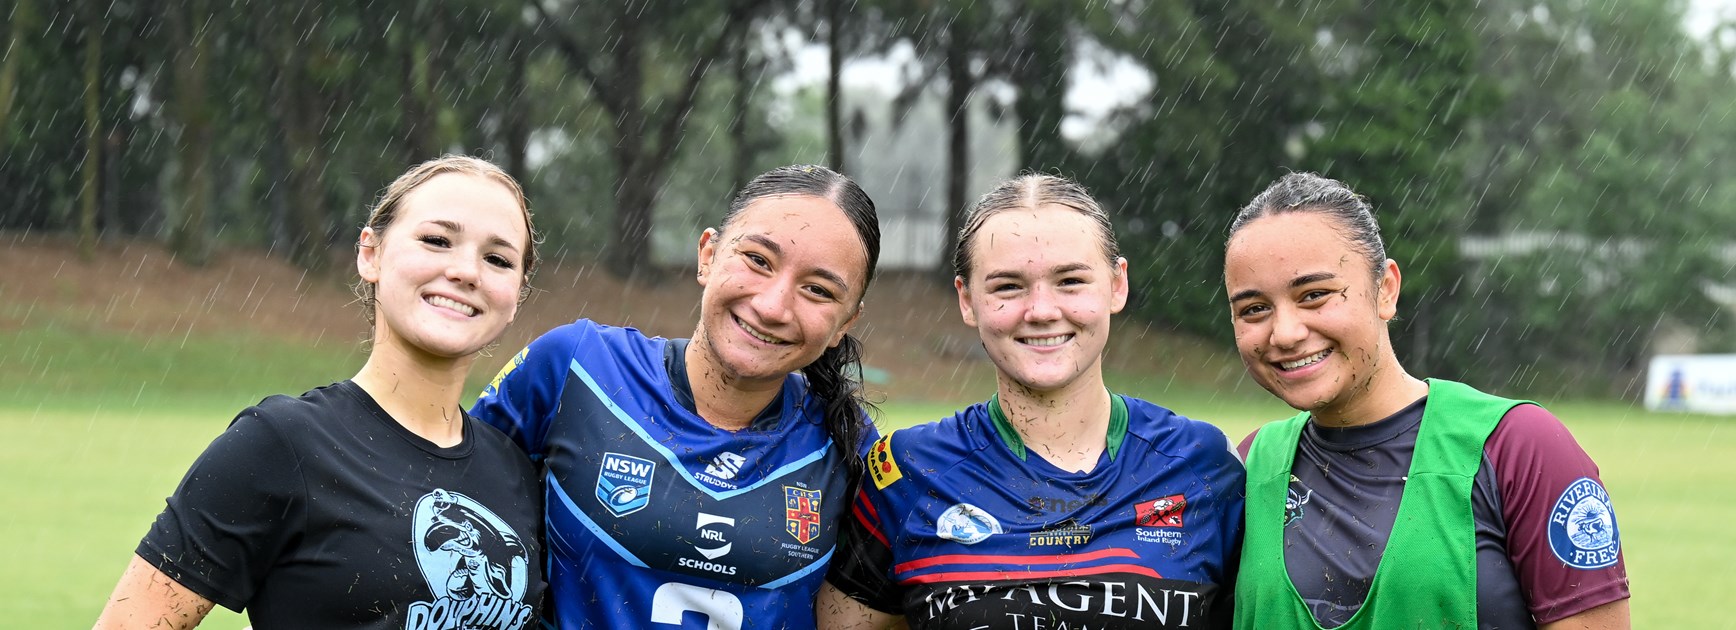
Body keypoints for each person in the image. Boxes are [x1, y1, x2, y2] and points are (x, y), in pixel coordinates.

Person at [94, 155, 546, 629]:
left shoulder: (517, 474)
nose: (466, 271)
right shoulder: (279, 443)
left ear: (516, 294)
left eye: (497, 259)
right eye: (436, 240)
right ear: (371, 253)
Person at [819, 174, 1245, 629]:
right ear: (967, 300)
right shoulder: (906, 472)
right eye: (1008, 286)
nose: (1041, 310)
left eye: (1070, 280)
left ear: (1117, 285)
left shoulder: (1201, 465)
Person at [469, 165, 881, 630]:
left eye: (817, 290)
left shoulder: (851, 451)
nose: (772, 306)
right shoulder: (576, 368)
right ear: (708, 254)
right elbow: (443, 503)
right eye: (758, 260)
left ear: (845, 323)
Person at [1223, 172, 1631, 629]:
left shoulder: (1518, 447)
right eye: (1254, 309)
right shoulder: (1248, 467)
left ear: (1386, 290)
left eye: (1315, 295)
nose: (1285, 333)